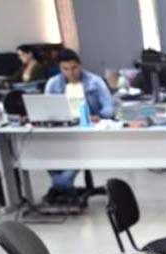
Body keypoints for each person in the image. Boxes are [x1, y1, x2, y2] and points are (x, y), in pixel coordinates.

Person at [43, 48, 114, 198]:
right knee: (43, 152)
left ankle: (60, 186)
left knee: (78, 152)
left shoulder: (95, 81)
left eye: (74, 68)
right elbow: (46, 108)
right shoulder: (53, 84)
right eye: (66, 69)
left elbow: (109, 107)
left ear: (80, 65)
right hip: (62, 131)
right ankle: (63, 186)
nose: (71, 72)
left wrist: (99, 116)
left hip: (88, 132)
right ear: (60, 69)